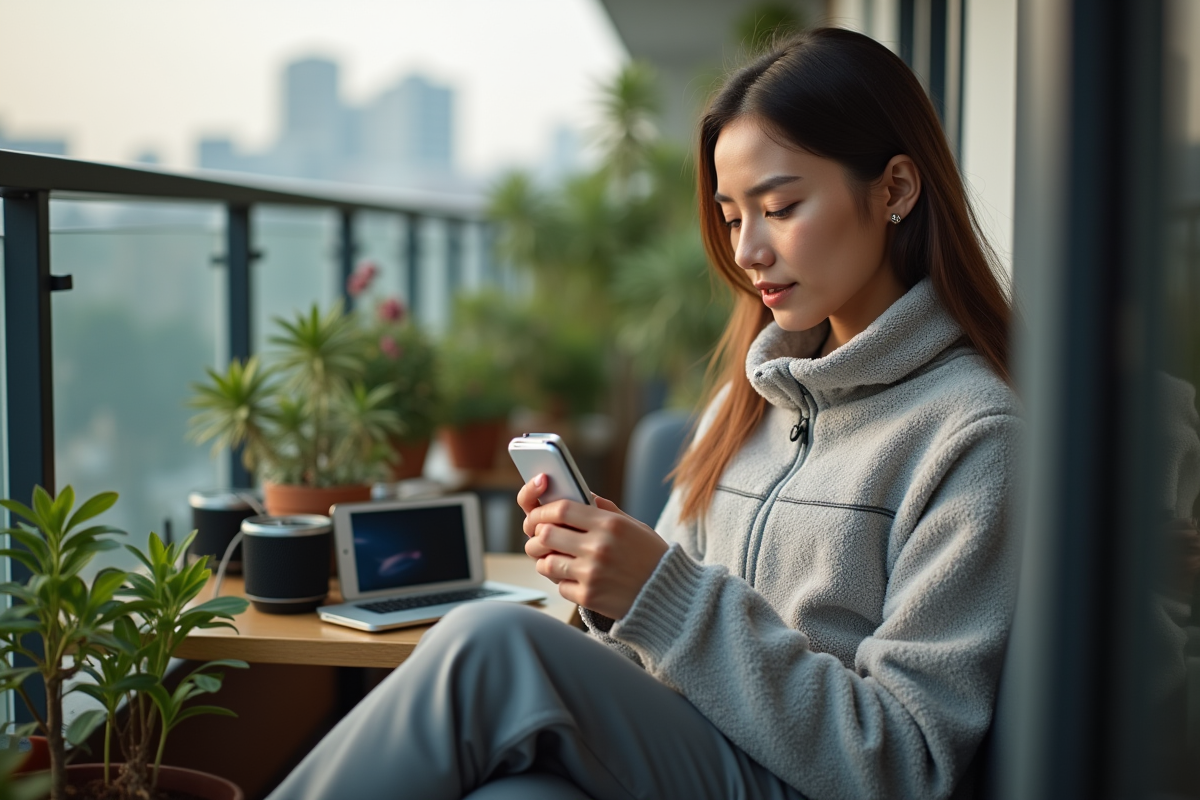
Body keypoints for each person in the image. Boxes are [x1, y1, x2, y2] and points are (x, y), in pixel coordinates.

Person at [267, 27, 1020, 800]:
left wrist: (661, 593)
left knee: (489, 643)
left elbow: (904, 761)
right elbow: (655, 647)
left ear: (895, 189)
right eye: (731, 217)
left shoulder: (974, 436)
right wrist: (611, 587)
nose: (748, 249)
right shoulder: (743, 403)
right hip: (692, 755)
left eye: (781, 206)